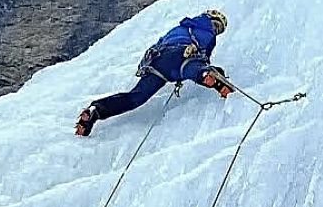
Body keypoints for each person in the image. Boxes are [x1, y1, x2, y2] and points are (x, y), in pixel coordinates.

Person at [75, 9, 234, 136]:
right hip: (182, 54)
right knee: (196, 68)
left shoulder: (181, 27)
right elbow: (204, 49)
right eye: (216, 25)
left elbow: (159, 45)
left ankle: (95, 111)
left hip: (158, 63)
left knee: (135, 98)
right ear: (209, 19)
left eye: (218, 29)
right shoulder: (205, 28)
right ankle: (209, 76)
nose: (216, 30)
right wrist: (205, 65)